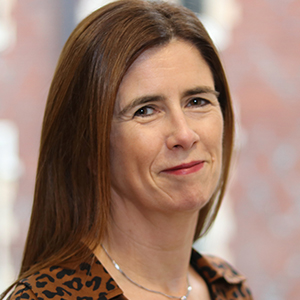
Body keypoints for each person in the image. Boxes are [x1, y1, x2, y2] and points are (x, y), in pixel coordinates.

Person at [2, 0, 253, 299]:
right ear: (89, 147)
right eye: (146, 110)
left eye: (197, 101)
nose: (184, 134)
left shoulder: (228, 288)